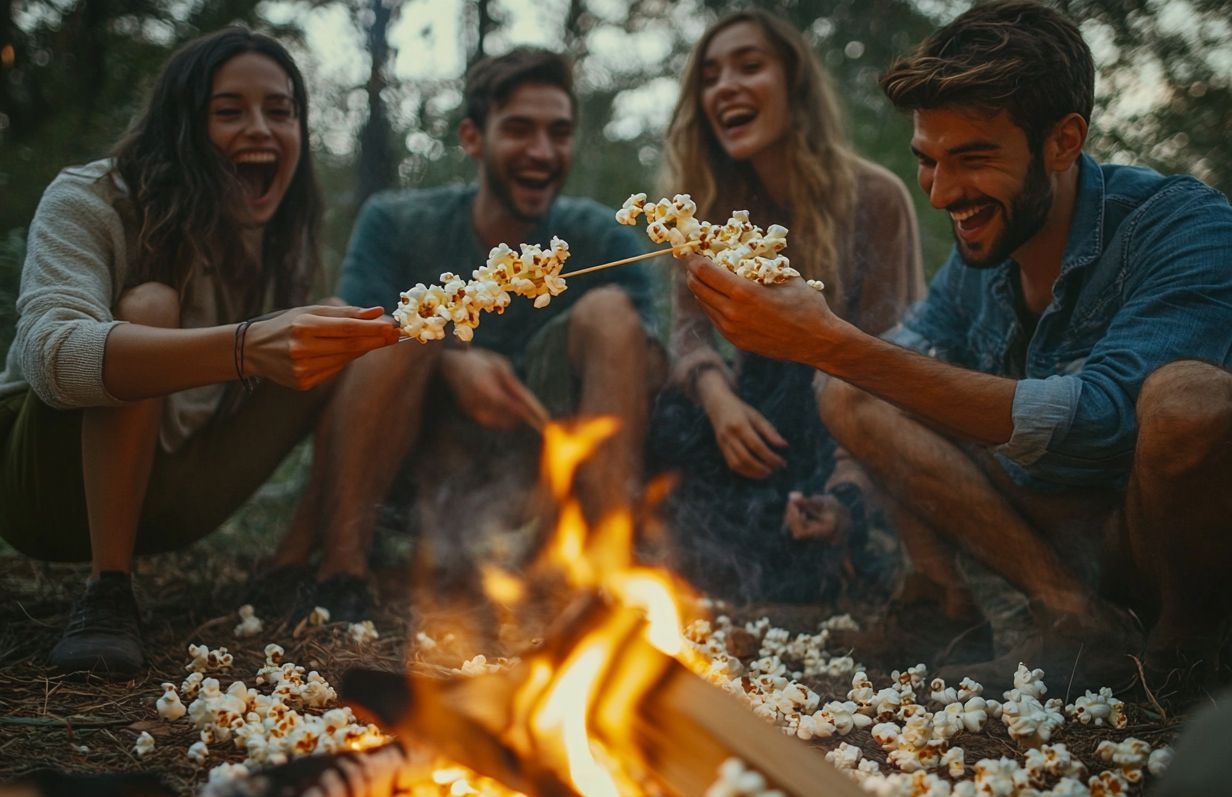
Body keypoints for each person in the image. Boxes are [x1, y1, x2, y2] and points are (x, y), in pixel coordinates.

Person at [679, 0, 1232, 690]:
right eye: (927, 161)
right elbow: (885, 370)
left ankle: (1182, 654)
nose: (941, 193)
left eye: (971, 159)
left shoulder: (1184, 227)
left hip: (1157, 536)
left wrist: (832, 342)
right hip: (1057, 532)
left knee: (1190, 402)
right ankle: (1061, 616)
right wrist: (845, 487)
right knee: (851, 387)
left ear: (1063, 142)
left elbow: (1101, 422)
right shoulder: (983, 256)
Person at [0, 28, 405, 678]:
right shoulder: (92, 200)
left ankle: (299, 568)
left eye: (281, 111)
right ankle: (107, 592)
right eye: (228, 111)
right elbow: (52, 356)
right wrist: (245, 347)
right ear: (181, 124)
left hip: (178, 497)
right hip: (46, 492)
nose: (261, 130)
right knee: (151, 305)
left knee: (362, 331)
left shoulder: (277, 236)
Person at [324, 47, 662, 558]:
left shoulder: (604, 240)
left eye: (560, 133)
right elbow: (344, 353)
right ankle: (339, 571)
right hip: (417, 472)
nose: (543, 151)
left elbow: (652, 366)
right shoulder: (393, 222)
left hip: (542, 473)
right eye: (519, 129)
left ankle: (604, 569)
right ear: (472, 138)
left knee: (613, 311)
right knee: (397, 325)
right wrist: (449, 361)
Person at [647, 10, 923, 604]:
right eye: (711, 77)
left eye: (750, 67)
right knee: (664, 422)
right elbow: (689, 337)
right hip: (748, 417)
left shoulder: (875, 197)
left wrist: (848, 485)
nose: (726, 87)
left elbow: (890, 361)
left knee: (810, 560)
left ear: (794, 86)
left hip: (840, 418)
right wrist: (719, 403)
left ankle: (843, 532)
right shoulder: (700, 212)